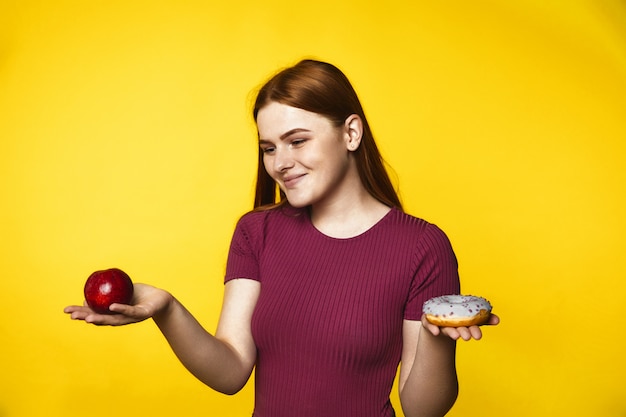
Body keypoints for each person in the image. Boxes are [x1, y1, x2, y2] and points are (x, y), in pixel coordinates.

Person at [65, 59, 499, 417]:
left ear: (351, 133)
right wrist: (167, 310)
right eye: (269, 148)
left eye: (297, 141)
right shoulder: (257, 232)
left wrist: (437, 337)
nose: (280, 163)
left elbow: (422, 410)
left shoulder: (422, 247)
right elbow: (231, 371)